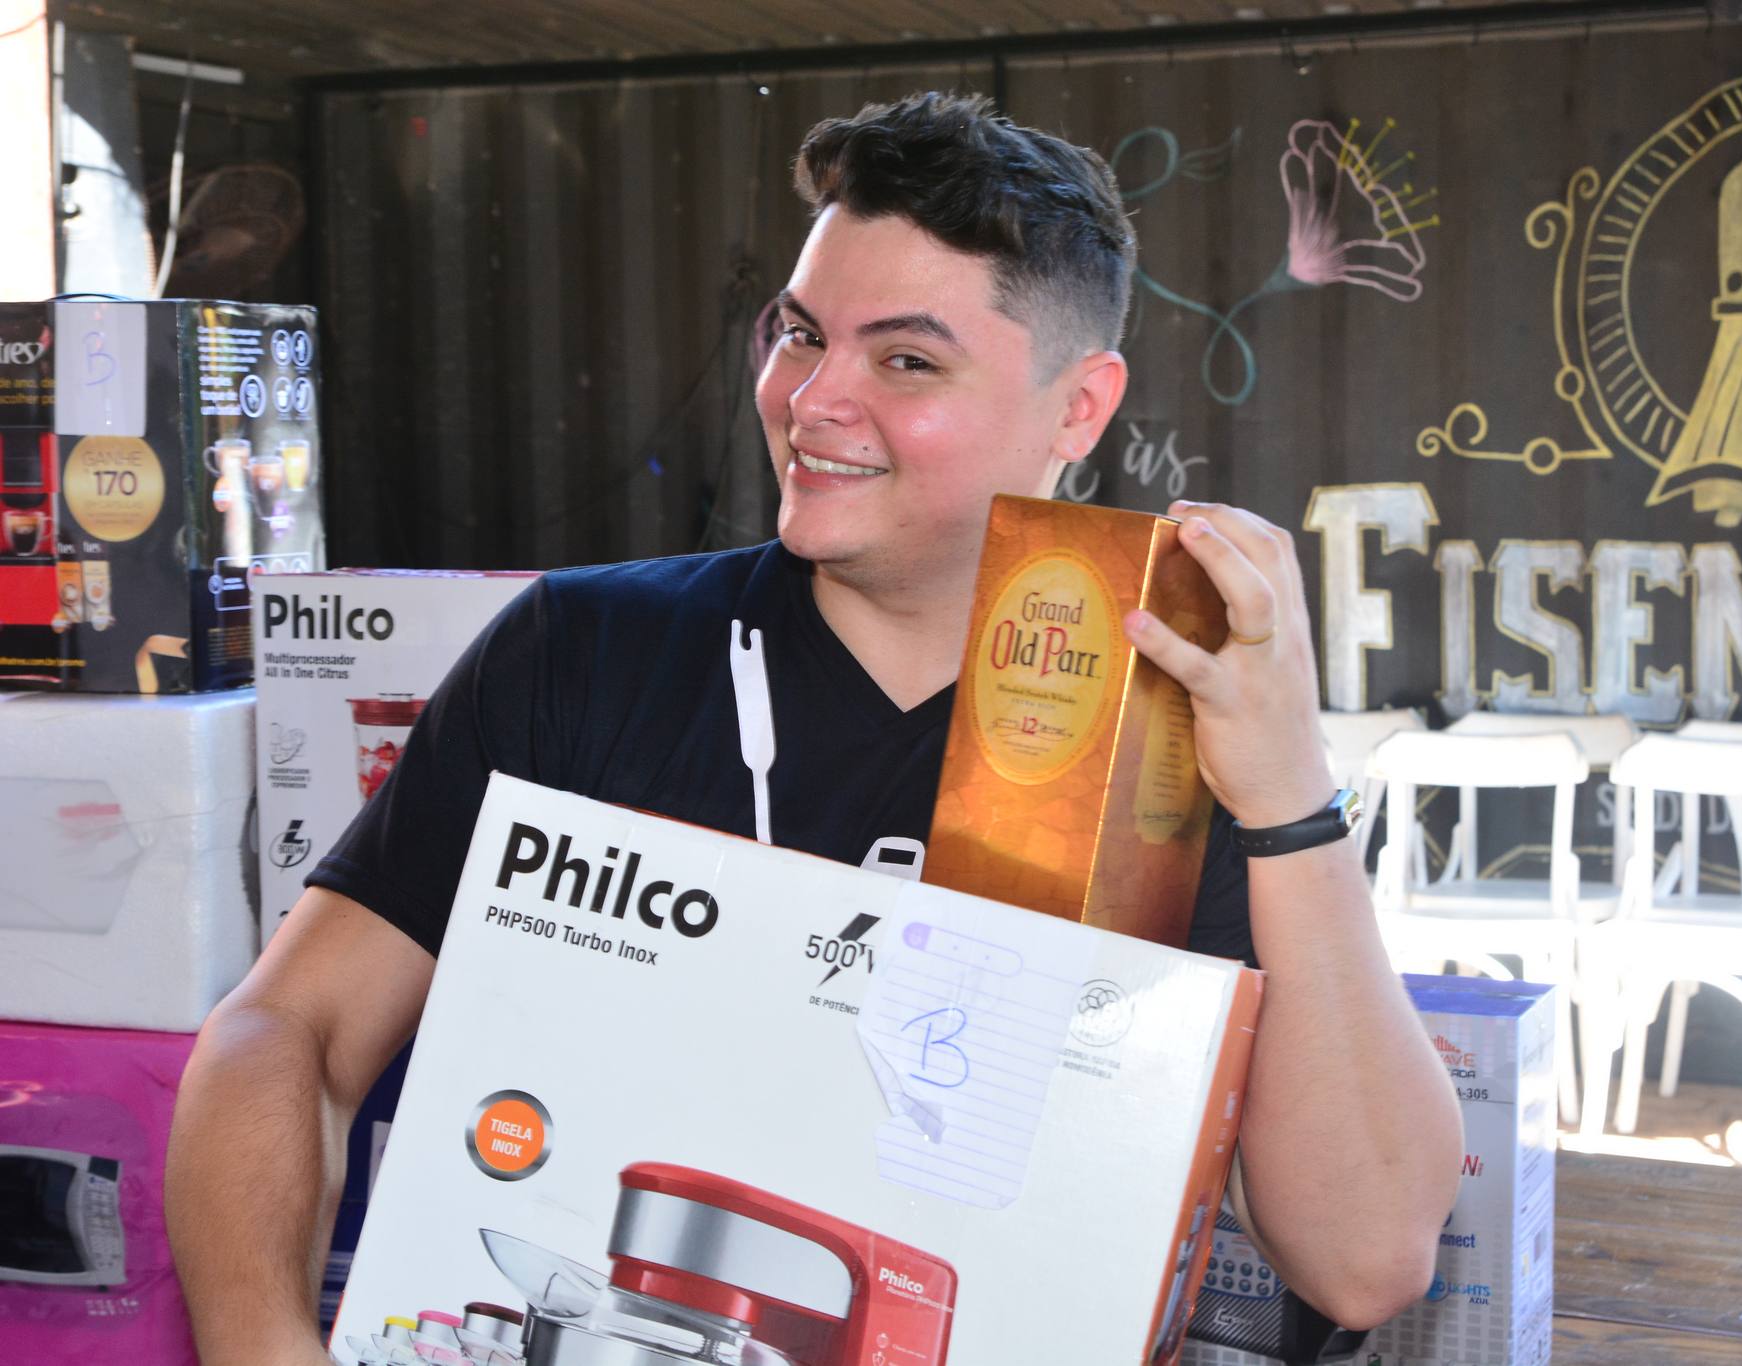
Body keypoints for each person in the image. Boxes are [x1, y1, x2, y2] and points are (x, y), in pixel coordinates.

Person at [165, 91, 1460, 1363]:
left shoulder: (1164, 745)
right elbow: (285, 1033)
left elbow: (1364, 1256)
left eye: (906, 359)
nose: (811, 398)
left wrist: (1289, 800)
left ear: (1079, 406)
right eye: (798, 334)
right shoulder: (585, 653)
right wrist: (263, 1339)